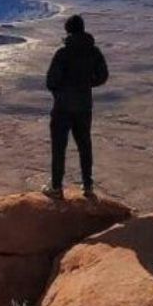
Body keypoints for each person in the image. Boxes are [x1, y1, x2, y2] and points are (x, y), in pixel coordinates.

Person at [42, 13, 108, 198]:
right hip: (84, 106)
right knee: (85, 146)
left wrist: (61, 92)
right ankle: (88, 187)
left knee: (59, 148)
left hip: (62, 108)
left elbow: (51, 81)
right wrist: (86, 85)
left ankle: (56, 187)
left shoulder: (63, 53)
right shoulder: (94, 52)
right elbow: (102, 76)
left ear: (68, 30)